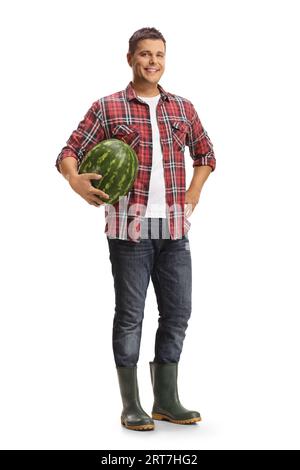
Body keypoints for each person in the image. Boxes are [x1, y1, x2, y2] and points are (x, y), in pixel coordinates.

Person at [55, 27, 216, 432]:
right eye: (144, 54)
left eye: (159, 55)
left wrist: (193, 193)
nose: (153, 62)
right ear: (130, 59)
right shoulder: (108, 107)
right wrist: (75, 181)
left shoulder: (182, 108)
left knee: (178, 313)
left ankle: (166, 400)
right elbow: (68, 152)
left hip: (175, 230)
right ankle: (131, 405)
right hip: (129, 232)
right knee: (130, 316)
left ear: (166, 59)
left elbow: (206, 153)